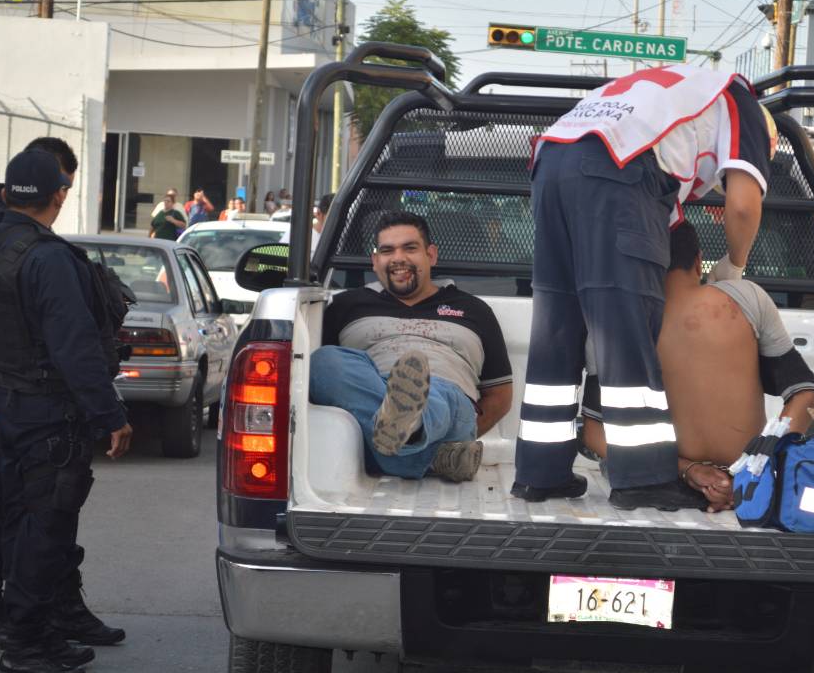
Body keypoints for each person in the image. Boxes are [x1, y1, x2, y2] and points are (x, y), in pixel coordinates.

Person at [513, 65, 776, 511]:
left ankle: (541, 473)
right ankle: (643, 481)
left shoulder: (659, 95)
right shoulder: (740, 102)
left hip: (552, 163)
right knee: (626, 328)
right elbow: (745, 206)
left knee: (557, 327)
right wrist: (733, 267)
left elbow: (665, 219)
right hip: (616, 171)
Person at [0, 149, 134, 673]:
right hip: (48, 414)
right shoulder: (49, 258)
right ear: (58, 195)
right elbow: (75, 346)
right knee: (46, 530)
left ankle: (39, 632)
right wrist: (109, 415)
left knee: (25, 524)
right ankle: (22, 649)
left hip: (14, 407)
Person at [581, 221, 814, 511]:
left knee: (609, 459)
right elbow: (806, 394)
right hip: (746, 475)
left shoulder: (613, 324)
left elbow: (594, 433)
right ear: (698, 261)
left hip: (664, 481)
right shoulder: (746, 298)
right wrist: (754, 468)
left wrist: (686, 468)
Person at [310, 211, 513, 481]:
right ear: (375, 261)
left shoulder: (473, 310)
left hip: (449, 403)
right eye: (387, 250)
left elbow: (500, 395)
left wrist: (463, 432)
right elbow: (327, 382)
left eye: (410, 248)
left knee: (435, 394)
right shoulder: (347, 305)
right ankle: (431, 454)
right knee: (324, 362)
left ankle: (414, 425)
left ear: (431, 255)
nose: (398, 258)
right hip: (373, 417)